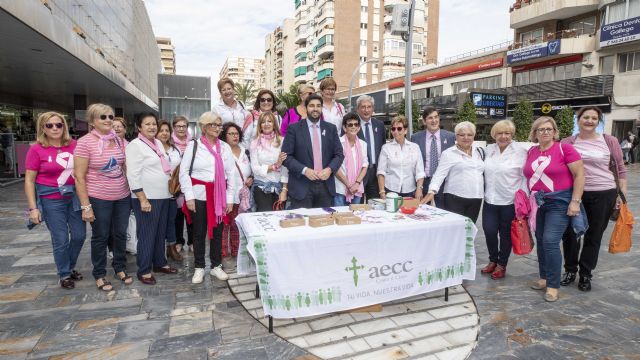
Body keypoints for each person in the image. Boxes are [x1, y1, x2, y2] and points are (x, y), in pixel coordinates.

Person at [560, 106, 626, 291]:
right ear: (578, 119)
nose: (589, 121)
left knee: (594, 236)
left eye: (594, 118)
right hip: (575, 194)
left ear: (599, 121)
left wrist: (621, 196)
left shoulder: (609, 141)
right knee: (571, 235)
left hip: (604, 193)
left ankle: (585, 274)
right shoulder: (568, 142)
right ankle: (570, 270)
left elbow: (621, 169)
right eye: (585, 117)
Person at [524, 116, 585, 302]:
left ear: (555, 131)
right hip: (538, 203)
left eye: (549, 129)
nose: (545, 132)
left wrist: (575, 201)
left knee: (550, 241)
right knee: (541, 240)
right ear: (535, 133)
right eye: (541, 129)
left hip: (559, 202)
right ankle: (544, 277)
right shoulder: (532, 151)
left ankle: (553, 285)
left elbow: (580, 175)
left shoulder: (564, 148)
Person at [25, 112, 85, 289]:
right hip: (51, 199)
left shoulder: (75, 145)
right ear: (42, 128)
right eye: (49, 125)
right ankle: (65, 273)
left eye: (58, 125)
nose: (55, 128)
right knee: (60, 239)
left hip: (73, 196)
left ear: (64, 126)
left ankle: (69, 265)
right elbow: (29, 180)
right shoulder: (36, 149)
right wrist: (33, 208)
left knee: (79, 235)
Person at [75, 103, 131, 291]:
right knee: (101, 236)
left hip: (122, 196)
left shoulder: (116, 139)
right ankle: (99, 274)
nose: (108, 120)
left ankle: (120, 267)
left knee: (120, 234)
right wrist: (86, 206)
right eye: (103, 117)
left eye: (110, 116)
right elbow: (79, 177)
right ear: (92, 121)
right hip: (98, 198)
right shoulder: (84, 142)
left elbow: (123, 166)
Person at [179, 112, 235, 284]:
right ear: (204, 127)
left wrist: (230, 198)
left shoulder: (224, 147)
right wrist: (189, 197)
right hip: (198, 195)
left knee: (218, 232)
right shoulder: (193, 145)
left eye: (219, 125)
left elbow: (231, 174)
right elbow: (184, 173)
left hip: (219, 196)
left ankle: (216, 266)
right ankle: (199, 267)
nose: (218, 128)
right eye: (214, 125)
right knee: (199, 232)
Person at [126, 113, 178, 285]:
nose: (152, 127)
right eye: (147, 124)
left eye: (153, 124)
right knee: (147, 234)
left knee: (160, 233)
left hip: (164, 195)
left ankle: (160, 263)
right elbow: (132, 174)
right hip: (147, 198)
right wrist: (142, 198)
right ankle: (144, 269)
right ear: (139, 127)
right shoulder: (135, 145)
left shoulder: (156, 143)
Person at [480, 120, 527, 280]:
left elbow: (524, 177)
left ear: (512, 134)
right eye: (500, 133)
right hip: (490, 200)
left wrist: (522, 199)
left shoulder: (520, 151)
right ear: (494, 135)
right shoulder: (488, 149)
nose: (503, 136)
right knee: (489, 231)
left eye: (507, 133)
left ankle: (501, 264)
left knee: (506, 235)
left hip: (509, 201)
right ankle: (492, 259)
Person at [282, 94, 344, 209]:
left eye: (318, 106)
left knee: (323, 224)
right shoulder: (293, 129)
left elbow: (339, 154)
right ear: (306, 108)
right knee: (302, 224)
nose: (315, 109)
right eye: (311, 106)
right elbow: (286, 158)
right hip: (301, 186)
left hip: (325, 187)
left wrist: (330, 169)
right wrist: (304, 170)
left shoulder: (331, 129)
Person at [421, 121, 485, 223]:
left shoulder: (480, 151)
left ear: (474, 136)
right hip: (455, 198)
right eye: (462, 135)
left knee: (469, 230)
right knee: (456, 229)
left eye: (469, 135)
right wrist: (432, 191)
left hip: (476, 198)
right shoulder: (448, 153)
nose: (466, 137)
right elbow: (439, 174)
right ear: (456, 136)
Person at [410, 107, 455, 208]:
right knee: (422, 211)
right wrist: (419, 187)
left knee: (443, 212)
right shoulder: (416, 138)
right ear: (424, 121)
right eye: (430, 118)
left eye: (436, 117)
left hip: (443, 182)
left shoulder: (451, 137)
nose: (434, 121)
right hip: (424, 181)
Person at [219, 122, 252, 259]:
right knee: (224, 225)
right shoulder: (221, 150)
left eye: (236, 133)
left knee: (237, 225)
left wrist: (251, 178)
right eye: (231, 133)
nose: (234, 136)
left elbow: (252, 169)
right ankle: (222, 253)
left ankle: (236, 251)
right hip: (226, 195)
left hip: (243, 195)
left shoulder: (245, 151)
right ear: (224, 136)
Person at [377, 116, 425, 200]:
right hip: (390, 191)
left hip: (410, 191)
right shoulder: (386, 148)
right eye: (393, 129)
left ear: (405, 130)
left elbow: (420, 172)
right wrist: (382, 192)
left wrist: (419, 189)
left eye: (399, 129)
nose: (396, 131)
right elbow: (381, 172)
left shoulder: (415, 147)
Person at [156, 120, 183, 262]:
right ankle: (159, 250)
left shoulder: (175, 149)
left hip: (172, 192)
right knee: (159, 222)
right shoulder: (152, 148)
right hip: (156, 192)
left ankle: (171, 247)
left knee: (171, 220)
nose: (164, 133)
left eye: (167, 130)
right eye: (161, 130)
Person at [250, 112, 288, 211]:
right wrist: (275, 166)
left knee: (279, 220)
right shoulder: (254, 143)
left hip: (278, 188)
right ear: (260, 126)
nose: (266, 124)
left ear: (274, 124)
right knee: (265, 217)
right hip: (261, 186)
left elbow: (285, 167)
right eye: (263, 122)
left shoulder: (282, 141)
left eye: (269, 121)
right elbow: (255, 169)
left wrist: (284, 190)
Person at [356, 95, 385, 201]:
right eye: (363, 107)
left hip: (375, 173)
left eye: (369, 107)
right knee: (357, 207)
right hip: (358, 174)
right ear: (357, 109)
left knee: (375, 207)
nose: (366, 110)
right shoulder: (353, 125)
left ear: (373, 109)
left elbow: (383, 147)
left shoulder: (380, 125)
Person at [334, 113, 368, 206]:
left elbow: (365, 166)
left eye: (356, 124)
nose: (353, 127)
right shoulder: (338, 143)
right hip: (341, 189)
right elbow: (335, 167)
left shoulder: (363, 144)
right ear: (345, 128)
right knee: (340, 217)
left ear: (359, 127)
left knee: (355, 217)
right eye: (350, 125)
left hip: (357, 188)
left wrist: (356, 183)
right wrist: (349, 185)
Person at [172, 116, 193, 253]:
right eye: (178, 126)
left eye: (184, 126)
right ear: (174, 127)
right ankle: (179, 241)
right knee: (177, 216)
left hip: (190, 183)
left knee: (191, 215)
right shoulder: (169, 142)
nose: (181, 129)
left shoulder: (193, 143)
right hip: (175, 184)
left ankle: (192, 242)